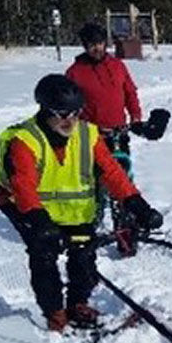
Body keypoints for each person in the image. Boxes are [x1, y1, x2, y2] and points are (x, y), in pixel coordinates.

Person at [0, 74, 163, 332]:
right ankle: (55, 315)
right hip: (19, 202)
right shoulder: (25, 141)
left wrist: (138, 205)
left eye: (75, 113)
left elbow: (112, 173)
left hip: (72, 207)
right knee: (43, 253)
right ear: (45, 110)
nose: (69, 120)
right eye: (61, 114)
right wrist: (40, 223)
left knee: (84, 252)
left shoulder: (87, 134)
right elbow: (23, 185)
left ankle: (78, 304)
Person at [66, 21, 147, 251]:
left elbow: (130, 92)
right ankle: (91, 223)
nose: (97, 48)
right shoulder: (75, 72)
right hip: (92, 137)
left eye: (100, 43)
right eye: (91, 45)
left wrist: (136, 117)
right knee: (97, 183)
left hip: (119, 133)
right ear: (84, 46)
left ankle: (125, 229)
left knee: (123, 181)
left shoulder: (118, 66)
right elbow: (69, 107)